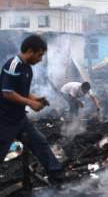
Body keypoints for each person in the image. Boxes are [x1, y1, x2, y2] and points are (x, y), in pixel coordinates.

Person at [0, 35, 62, 183]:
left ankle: (57, 175)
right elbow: (7, 92)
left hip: (20, 118)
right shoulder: (13, 65)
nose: (41, 59)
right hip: (5, 119)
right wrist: (30, 103)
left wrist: (35, 98)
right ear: (29, 51)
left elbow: (20, 90)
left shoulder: (27, 68)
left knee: (39, 142)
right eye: (39, 55)